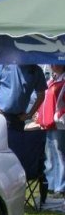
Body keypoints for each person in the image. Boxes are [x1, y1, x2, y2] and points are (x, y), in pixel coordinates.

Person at [0, 64, 47, 131]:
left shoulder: (35, 70)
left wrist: (30, 114)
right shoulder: (3, 65)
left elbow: (41, 95)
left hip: (18, 119)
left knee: (16, 141)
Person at [36, 64, 65, 196]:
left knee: (60, 154)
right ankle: (51, 183)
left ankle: (61, 186)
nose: (53, 66)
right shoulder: (51, 79)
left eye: (56, 63)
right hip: (48, 122)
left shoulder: (62, 81)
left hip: (60, 123)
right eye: (51, 64)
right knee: (50, 154)